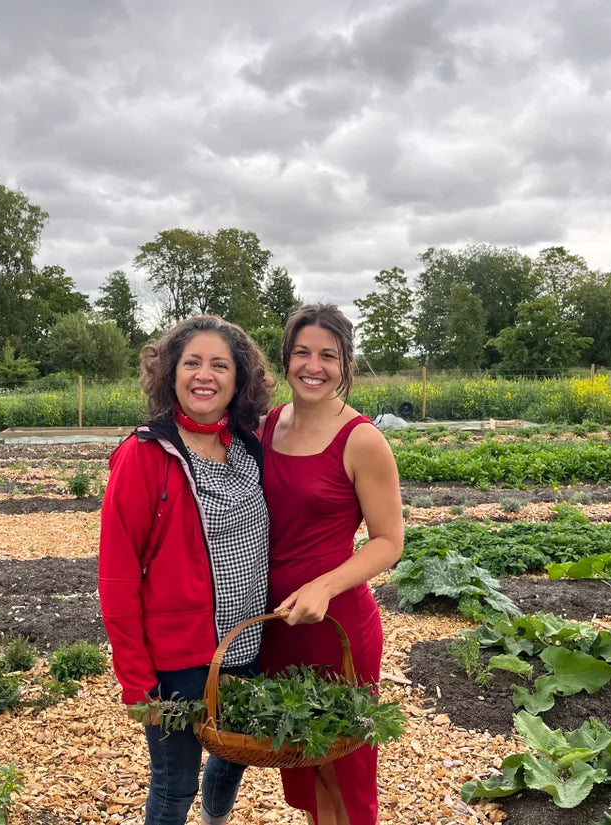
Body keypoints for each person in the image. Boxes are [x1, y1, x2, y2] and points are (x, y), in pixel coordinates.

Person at [98, 315, 275, 825]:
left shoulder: (248, 446)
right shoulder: (145, 454)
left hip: (244, 642)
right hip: (180, 655)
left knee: (234, 752)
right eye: (192, 362)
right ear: (171, 373)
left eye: (220, 365)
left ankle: (215, 820)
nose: (205, 375)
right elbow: (116, 576)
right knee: (175, 784)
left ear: (238, 380)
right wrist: (136, 678)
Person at [259, 304, 404, 825]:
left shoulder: (363, 439)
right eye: (301, 352)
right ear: (286, 359)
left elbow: (388, 541)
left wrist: (324, 586)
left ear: (346, 364)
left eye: (327, 354)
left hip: (337, 623)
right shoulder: (267, 426)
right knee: (304, 760)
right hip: (277, 624)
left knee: (346, 768)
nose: (312, 365)